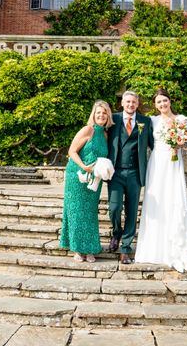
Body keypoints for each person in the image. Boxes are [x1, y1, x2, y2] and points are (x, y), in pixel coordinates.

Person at [134, 89, 187, 272]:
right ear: (155, 105)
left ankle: (175, 250)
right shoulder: (151, 121)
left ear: (170, 101)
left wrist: (180, 143)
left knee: (174, 200)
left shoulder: (182, 120)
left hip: (173, 163)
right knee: (157, 203)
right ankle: (153, 250)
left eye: (165, 101)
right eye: (159, 102)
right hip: (156, 164)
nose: (162, 104)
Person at [59, 100, 113, 262]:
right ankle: (77, 249)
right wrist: (84, 166)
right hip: (76, 175)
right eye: (98, 113)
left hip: (94, 178)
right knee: (76, 211)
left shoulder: (105, 134)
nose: (101, 115)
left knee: (89, 213)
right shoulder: (87, 130)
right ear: (94, 115)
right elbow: (72, 151)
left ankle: (89, 249)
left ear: (108, 116)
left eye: (104, 113)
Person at [107, 91, 154, 264]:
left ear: (137, 103)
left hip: (135, 173)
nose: (130, 105)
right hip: (115, 172)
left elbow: (153, 145)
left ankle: (125, 248)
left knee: (132, 212)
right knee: (114, 207)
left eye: (133, 102)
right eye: (127, 102)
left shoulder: (145, 121)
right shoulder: (113, 119)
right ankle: (116, 232)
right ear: (122, 103)